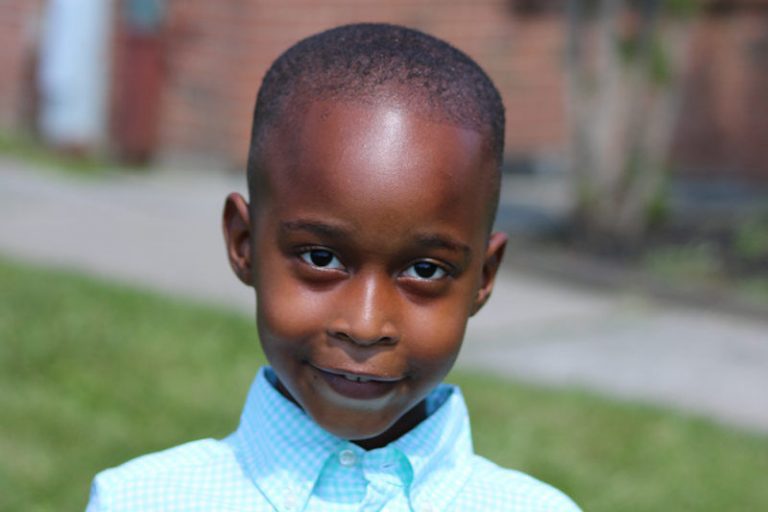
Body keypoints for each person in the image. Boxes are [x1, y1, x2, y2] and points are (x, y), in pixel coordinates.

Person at [86, 23, 582, 511]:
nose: (365, 327)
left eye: (426, 271)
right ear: (244, 244)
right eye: (320, 259)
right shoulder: (140, 500)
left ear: (484, 279)